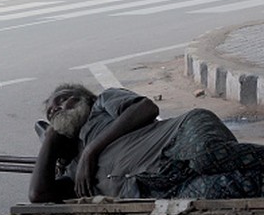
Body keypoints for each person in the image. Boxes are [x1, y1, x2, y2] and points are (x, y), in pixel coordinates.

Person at [29, 84, 264, 203]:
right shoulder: (75, 170)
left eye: (63, 99)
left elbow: (147, 108)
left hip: (181, 135)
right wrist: (51, 137)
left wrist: (92, 150)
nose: (58, 108)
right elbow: (38, 194)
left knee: (205, 157)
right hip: (166, 186)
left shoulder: (101, 103)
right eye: (52, 112)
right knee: (222, 189)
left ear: (85, 98)